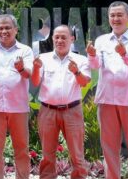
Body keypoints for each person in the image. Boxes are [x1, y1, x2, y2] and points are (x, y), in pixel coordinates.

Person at [87, 1, 128, 179]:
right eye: (112, 15)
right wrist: (92, 55)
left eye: (120, 15)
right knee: (109, 149)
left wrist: (124, 53)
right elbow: (95, 65)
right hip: (107, 100)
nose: (116, 19)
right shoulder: (102, 40)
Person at [31, 25, 90, 179]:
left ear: (72, 39)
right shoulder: (43, 59)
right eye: (56, 37)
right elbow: (35, 82)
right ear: (52, 39)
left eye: (64, 37)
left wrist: (76, 72)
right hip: (47, 111)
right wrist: (36, 68)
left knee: (77, 154)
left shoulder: (81, 60)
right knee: (47, 155)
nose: (59, 40)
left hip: (72, 111)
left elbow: (84, 82)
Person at [0, 13, 33, 179]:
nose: (4, 31)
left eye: (8, 28)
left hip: (18, 107)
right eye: (0, 28)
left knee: (22, 149)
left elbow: (28, 74)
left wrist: (20, 68)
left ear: (16, 30)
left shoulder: (25, 50)